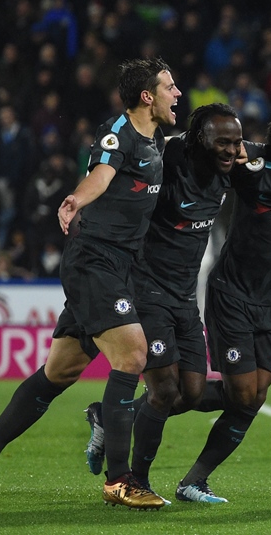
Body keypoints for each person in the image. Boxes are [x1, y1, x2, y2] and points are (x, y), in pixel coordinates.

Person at [0, 57, 182, 509]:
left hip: (118, 266)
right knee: (133, 354)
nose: (177, 93)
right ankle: (120, 479)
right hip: (95, 262)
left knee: (58, 372)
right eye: (170, 87)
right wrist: (75, 200)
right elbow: (99, 174)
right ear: (147, 96)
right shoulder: (117, 133)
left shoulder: (156, 137)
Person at [80, 103, 247, 498]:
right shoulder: (170, 157)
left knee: (190, 392)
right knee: (163, 391)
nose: (230, 150)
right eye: (221, 142)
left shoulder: (231, 167)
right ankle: (135, 478)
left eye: (235, 142)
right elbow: (131, 158)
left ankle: (108, 416)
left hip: (185, 296)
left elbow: (260, 150)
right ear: (197, 140)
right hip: (146, 288)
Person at [172, 104, 271, 502]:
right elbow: (215, 150)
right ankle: (133, 417)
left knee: (253, 396)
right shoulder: (257, 174)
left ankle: (192, 480)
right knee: (244, 395)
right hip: (232, 296)